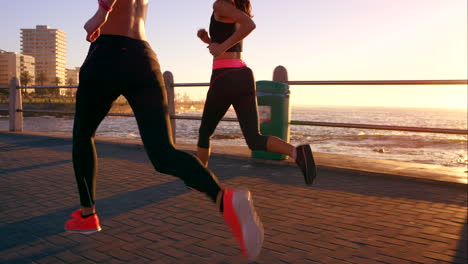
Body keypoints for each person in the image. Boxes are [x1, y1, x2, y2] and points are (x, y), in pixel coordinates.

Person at [64, 0, 263, 261]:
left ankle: (87, 215)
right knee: (163, 153)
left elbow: (101, 15)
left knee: (82, 135)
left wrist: (97, 19)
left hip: (107, 54)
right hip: (143, 57)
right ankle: (223, 197)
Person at [197, 0, 317, 185]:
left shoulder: (221, 4)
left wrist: (220, 47)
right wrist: (209, 40)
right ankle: (296, 152)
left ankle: (199, 179)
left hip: (224, 77)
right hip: (243, 76)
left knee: (205, 132)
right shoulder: (233, 7)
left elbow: (249, 25)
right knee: (254, 139)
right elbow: (232, 37)